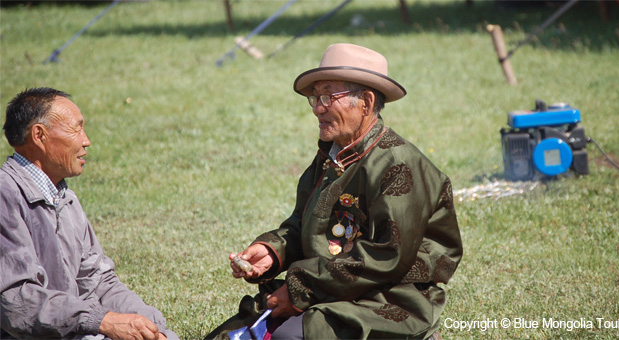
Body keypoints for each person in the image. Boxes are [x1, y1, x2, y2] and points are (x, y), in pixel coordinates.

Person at [207, 43, 463, 340]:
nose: (317, 107)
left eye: (328, 96)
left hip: (391, 297)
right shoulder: (333, 156)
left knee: (290, 336)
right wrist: (273, 251)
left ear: (366, 103)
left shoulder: (399, 166)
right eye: (315, 97)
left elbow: (385, 258)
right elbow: (305, 225)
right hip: (332, 286)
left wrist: (300, 290)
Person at [0, 88, 179, 340]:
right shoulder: (5, 195)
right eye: (76, 129)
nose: (86, 141)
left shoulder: (64, 198)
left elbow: (99, 281)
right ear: (39, 135)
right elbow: (15, 303)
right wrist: (101, 320)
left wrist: (151, 326)